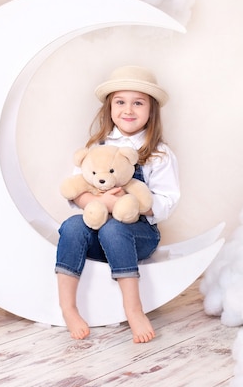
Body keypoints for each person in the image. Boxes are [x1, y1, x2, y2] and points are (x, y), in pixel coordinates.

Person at [55, 65, 180, 343]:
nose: (128, 110)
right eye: (120, 102)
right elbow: (76, 191)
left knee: (115, 230)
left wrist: (128, 203)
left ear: (151, 110)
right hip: (97, 230)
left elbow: (167, 202)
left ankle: (133, 309)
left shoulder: (159, 153)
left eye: (138, 103)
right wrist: (100, 203)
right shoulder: (97, 146)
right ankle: (68, 307)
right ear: (110, 108)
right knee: (72, 226)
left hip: (138, 235)